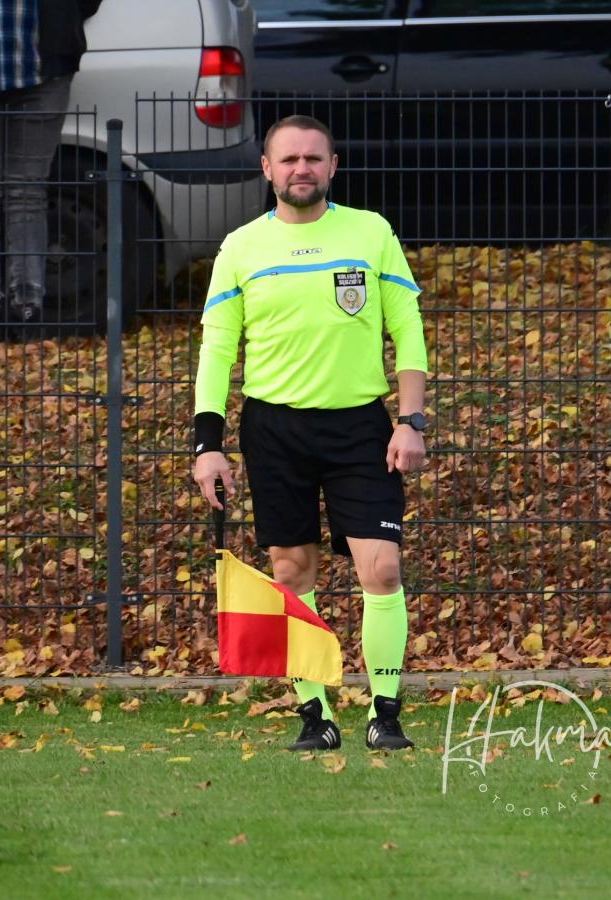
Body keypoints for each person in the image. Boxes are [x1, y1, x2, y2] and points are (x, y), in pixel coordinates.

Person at [193, 115, 428, 752]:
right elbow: (217, 350)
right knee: (292, 571)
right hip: (275, 430)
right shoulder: (240, 247)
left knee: (382, 569)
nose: (303, 168)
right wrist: (207, 445)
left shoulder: (371, 232)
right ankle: (315, 714)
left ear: (333, 166)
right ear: (267, 169)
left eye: (314, 158)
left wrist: (410, 420)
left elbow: (407, 329)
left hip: (360, 427)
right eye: (290, 158)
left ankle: (385, 713)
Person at [0, 0, 102, 343]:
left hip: (35, 68)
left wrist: (65, 16)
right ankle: (5, 308)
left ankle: (5, 309)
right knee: (3, 192)